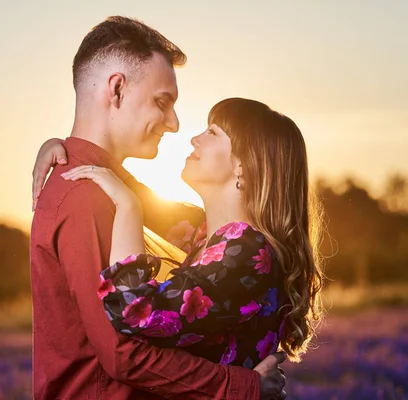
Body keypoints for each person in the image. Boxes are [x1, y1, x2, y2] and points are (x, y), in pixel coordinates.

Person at [30, 16, 287, 400]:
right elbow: (122, 354)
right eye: (161, 102)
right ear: (116, 90)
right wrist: (244, 388)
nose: (174, 123)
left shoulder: (105, 187)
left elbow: (157, 212)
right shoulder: (89, 195)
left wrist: (62, 146)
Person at [36, 97, 324, 381]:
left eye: (212, 132)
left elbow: (134, 310)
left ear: (245, 166)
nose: (194, 139)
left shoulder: (246, 250)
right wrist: (65, 151)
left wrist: (128, 207)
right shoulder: (207, 232)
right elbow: (133, 188)